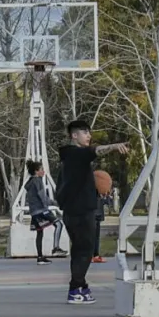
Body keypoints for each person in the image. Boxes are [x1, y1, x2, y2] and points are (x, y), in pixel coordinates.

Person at [56, 119, 129, 305]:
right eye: (84, 132)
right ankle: (76, 289)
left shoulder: (68, 158)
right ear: (74, 135)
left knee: (80, 250)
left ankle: (79, 287)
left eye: (89, 132)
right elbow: (94, 151)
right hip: (80, 211)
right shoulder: (75, 154)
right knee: (84, 251)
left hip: (75, 210)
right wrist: (114, 146)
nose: (88, 136)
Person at [24, 160, 67, 265]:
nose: (43, 171)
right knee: (59, 224)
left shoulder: (30, 181)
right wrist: (57, 203)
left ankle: (40, 258)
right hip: (41, 210)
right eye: (42, 169)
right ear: (36, 171)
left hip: (34, 211)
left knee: (40, 232)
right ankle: (56, 247)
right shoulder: (37, 181)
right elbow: (44, 198)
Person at [92, 192, 110, 264]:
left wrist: (107, 195)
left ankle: (95, 255)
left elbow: (106, 202)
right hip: (93, 215)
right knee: (93, 236)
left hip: (97, 215)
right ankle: (92, 255)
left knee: (96, 237)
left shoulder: (99, 194)